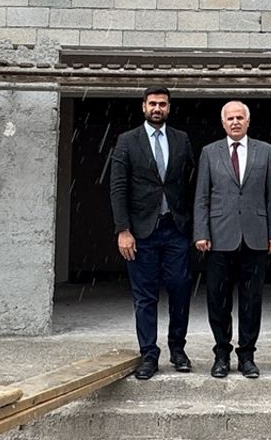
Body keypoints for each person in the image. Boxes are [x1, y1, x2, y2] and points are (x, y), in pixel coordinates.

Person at [109, 86, 196, 380]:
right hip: (141, 232)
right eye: (153, 103)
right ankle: (148, 354)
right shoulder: (127, 141)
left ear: (169, 108)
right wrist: (123, 229)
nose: (157, 108)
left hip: (176, 229)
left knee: (180, 290)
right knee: (145, 296)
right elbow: (118, 187)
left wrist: (194, 224)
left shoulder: (181, 139)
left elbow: (191, 182)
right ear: (143, 107)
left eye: (162, 104)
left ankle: (178, 350)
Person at [193, 100, 271, 379]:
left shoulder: (265, 151)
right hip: (219, 238)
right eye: (230, 118)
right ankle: (221, 354)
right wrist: (201, 232)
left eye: (239, 118)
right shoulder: (210, 152)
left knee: (251, 300)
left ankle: (247, 356)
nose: (235, 122)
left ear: (248, 122)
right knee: (218, 299)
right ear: (223, 123)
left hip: (255, 237)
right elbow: (202, 196)